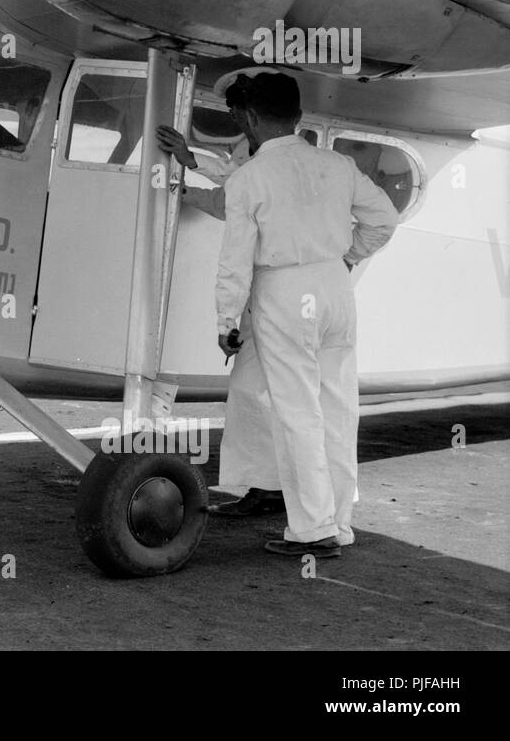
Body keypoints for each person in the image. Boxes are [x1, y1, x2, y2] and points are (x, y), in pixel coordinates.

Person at [214, 73, 398, 557]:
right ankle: (338, 523)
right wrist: (347, 257)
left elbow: (235, 259)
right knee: (338, 410)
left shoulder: (248, 178)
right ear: (297, 117)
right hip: (335, 286)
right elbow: (385, 219)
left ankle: (312, 530)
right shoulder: (336, 165)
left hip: (285, 291)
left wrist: (227, 322)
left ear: (251, 118)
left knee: (297, 413)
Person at [157, 69, 286, 516]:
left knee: (260, 393)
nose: (235, 120)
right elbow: (231, 193)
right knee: (274, 394)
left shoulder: (269, 164)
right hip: (298, 295)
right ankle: (283, 492)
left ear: (249, 113)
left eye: (237, 111)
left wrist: (226, 324)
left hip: (273, 294)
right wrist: (186, 181)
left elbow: (236, 204)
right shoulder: (285, 159)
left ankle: (278, 494)